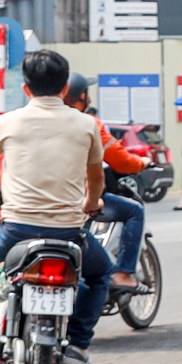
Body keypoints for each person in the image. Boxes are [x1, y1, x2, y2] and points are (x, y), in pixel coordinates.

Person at [0, 50, 112, 364]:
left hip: (14, 232)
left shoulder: (8, 121)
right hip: (69, 234)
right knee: (102, 273)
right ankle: (77, 344)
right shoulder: (87, 124)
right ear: (65, 88)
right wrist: (91, 203)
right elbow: (96, 176)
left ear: (26, 88)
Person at [63, 75, 148, 289]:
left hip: (38, 203)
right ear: (82, 96)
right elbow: (121, 161)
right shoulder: (90, 124)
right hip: (79, 200)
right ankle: (124, 274)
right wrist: (141, 163)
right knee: (134, 211)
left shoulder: (32, 122)